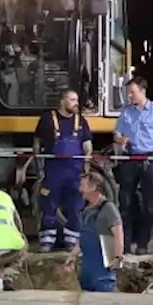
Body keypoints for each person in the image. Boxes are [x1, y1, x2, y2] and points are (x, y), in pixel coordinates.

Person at [111, 76, 153, 255]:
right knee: (126, 202)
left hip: (149, 160)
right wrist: (121, 139)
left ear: (143, 91)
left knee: (149, 204)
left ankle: (143, 243)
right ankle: (127, 242)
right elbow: (116, 133)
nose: (129, 96)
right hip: (130, 159)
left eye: (133, 92)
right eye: (128, 93)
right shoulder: (126, 112)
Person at [33, 89, 93, 252]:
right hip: (53, 172)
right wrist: (38, 166)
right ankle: (47, 241)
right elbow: (37, 142)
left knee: (75, 208)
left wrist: (86, 168)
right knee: (49, 206)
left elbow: (87, 147)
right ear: (62, 101)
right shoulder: (47, 119)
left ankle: (71, 241)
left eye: (76, 100)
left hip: (75, 174)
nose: (76, 103)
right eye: (72, 100)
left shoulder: (81, 121)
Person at [65, 170, 125, 292]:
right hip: (87, 272)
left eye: (83, 185)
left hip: (103, 274)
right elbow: (83, 238)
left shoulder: (108, 209)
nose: (80, 189)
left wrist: (118, 257)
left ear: (94, 187)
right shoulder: (87, 210)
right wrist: (73, 255)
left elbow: (118, 234)